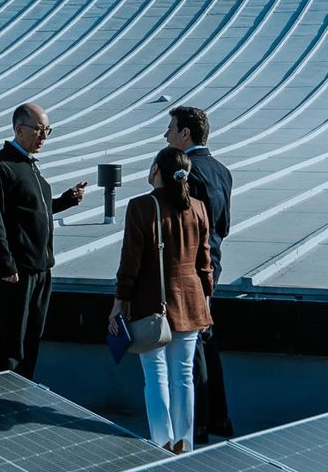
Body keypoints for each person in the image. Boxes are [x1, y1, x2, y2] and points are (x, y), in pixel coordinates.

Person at [108, 147, 212, 454]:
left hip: (151, 303)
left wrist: (118, 303)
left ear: (156, 171)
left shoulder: (141, 206)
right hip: (192, 302)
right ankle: (185, 443)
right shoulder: (198, 207)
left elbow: (131, 262)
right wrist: (206, 301)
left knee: (155, 376)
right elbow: (205, 263)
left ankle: (161, 442)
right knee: (184, 376)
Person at [0, 101, 87, 379]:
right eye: (39, 130)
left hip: (40, 269)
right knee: (11, 341)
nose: (44, 137)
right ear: (18, 130)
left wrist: (64, 202)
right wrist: (6, 264)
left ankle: (22, 394)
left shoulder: (30, 166)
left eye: (47, 130)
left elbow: (33, 208)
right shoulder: (0, 166)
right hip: (16, 272)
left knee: (32, 338)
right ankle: (2, 396)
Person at [166, 105, 235, 441]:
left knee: (192, 342)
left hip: (190, 265)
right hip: (213, 261)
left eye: (171, 128)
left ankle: (201, 420)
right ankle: (218, 417)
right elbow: (223, 224)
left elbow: (184, 224)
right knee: (206, 336)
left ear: (185, 134)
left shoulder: (187, 173)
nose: (166, 135)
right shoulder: (222, 170)